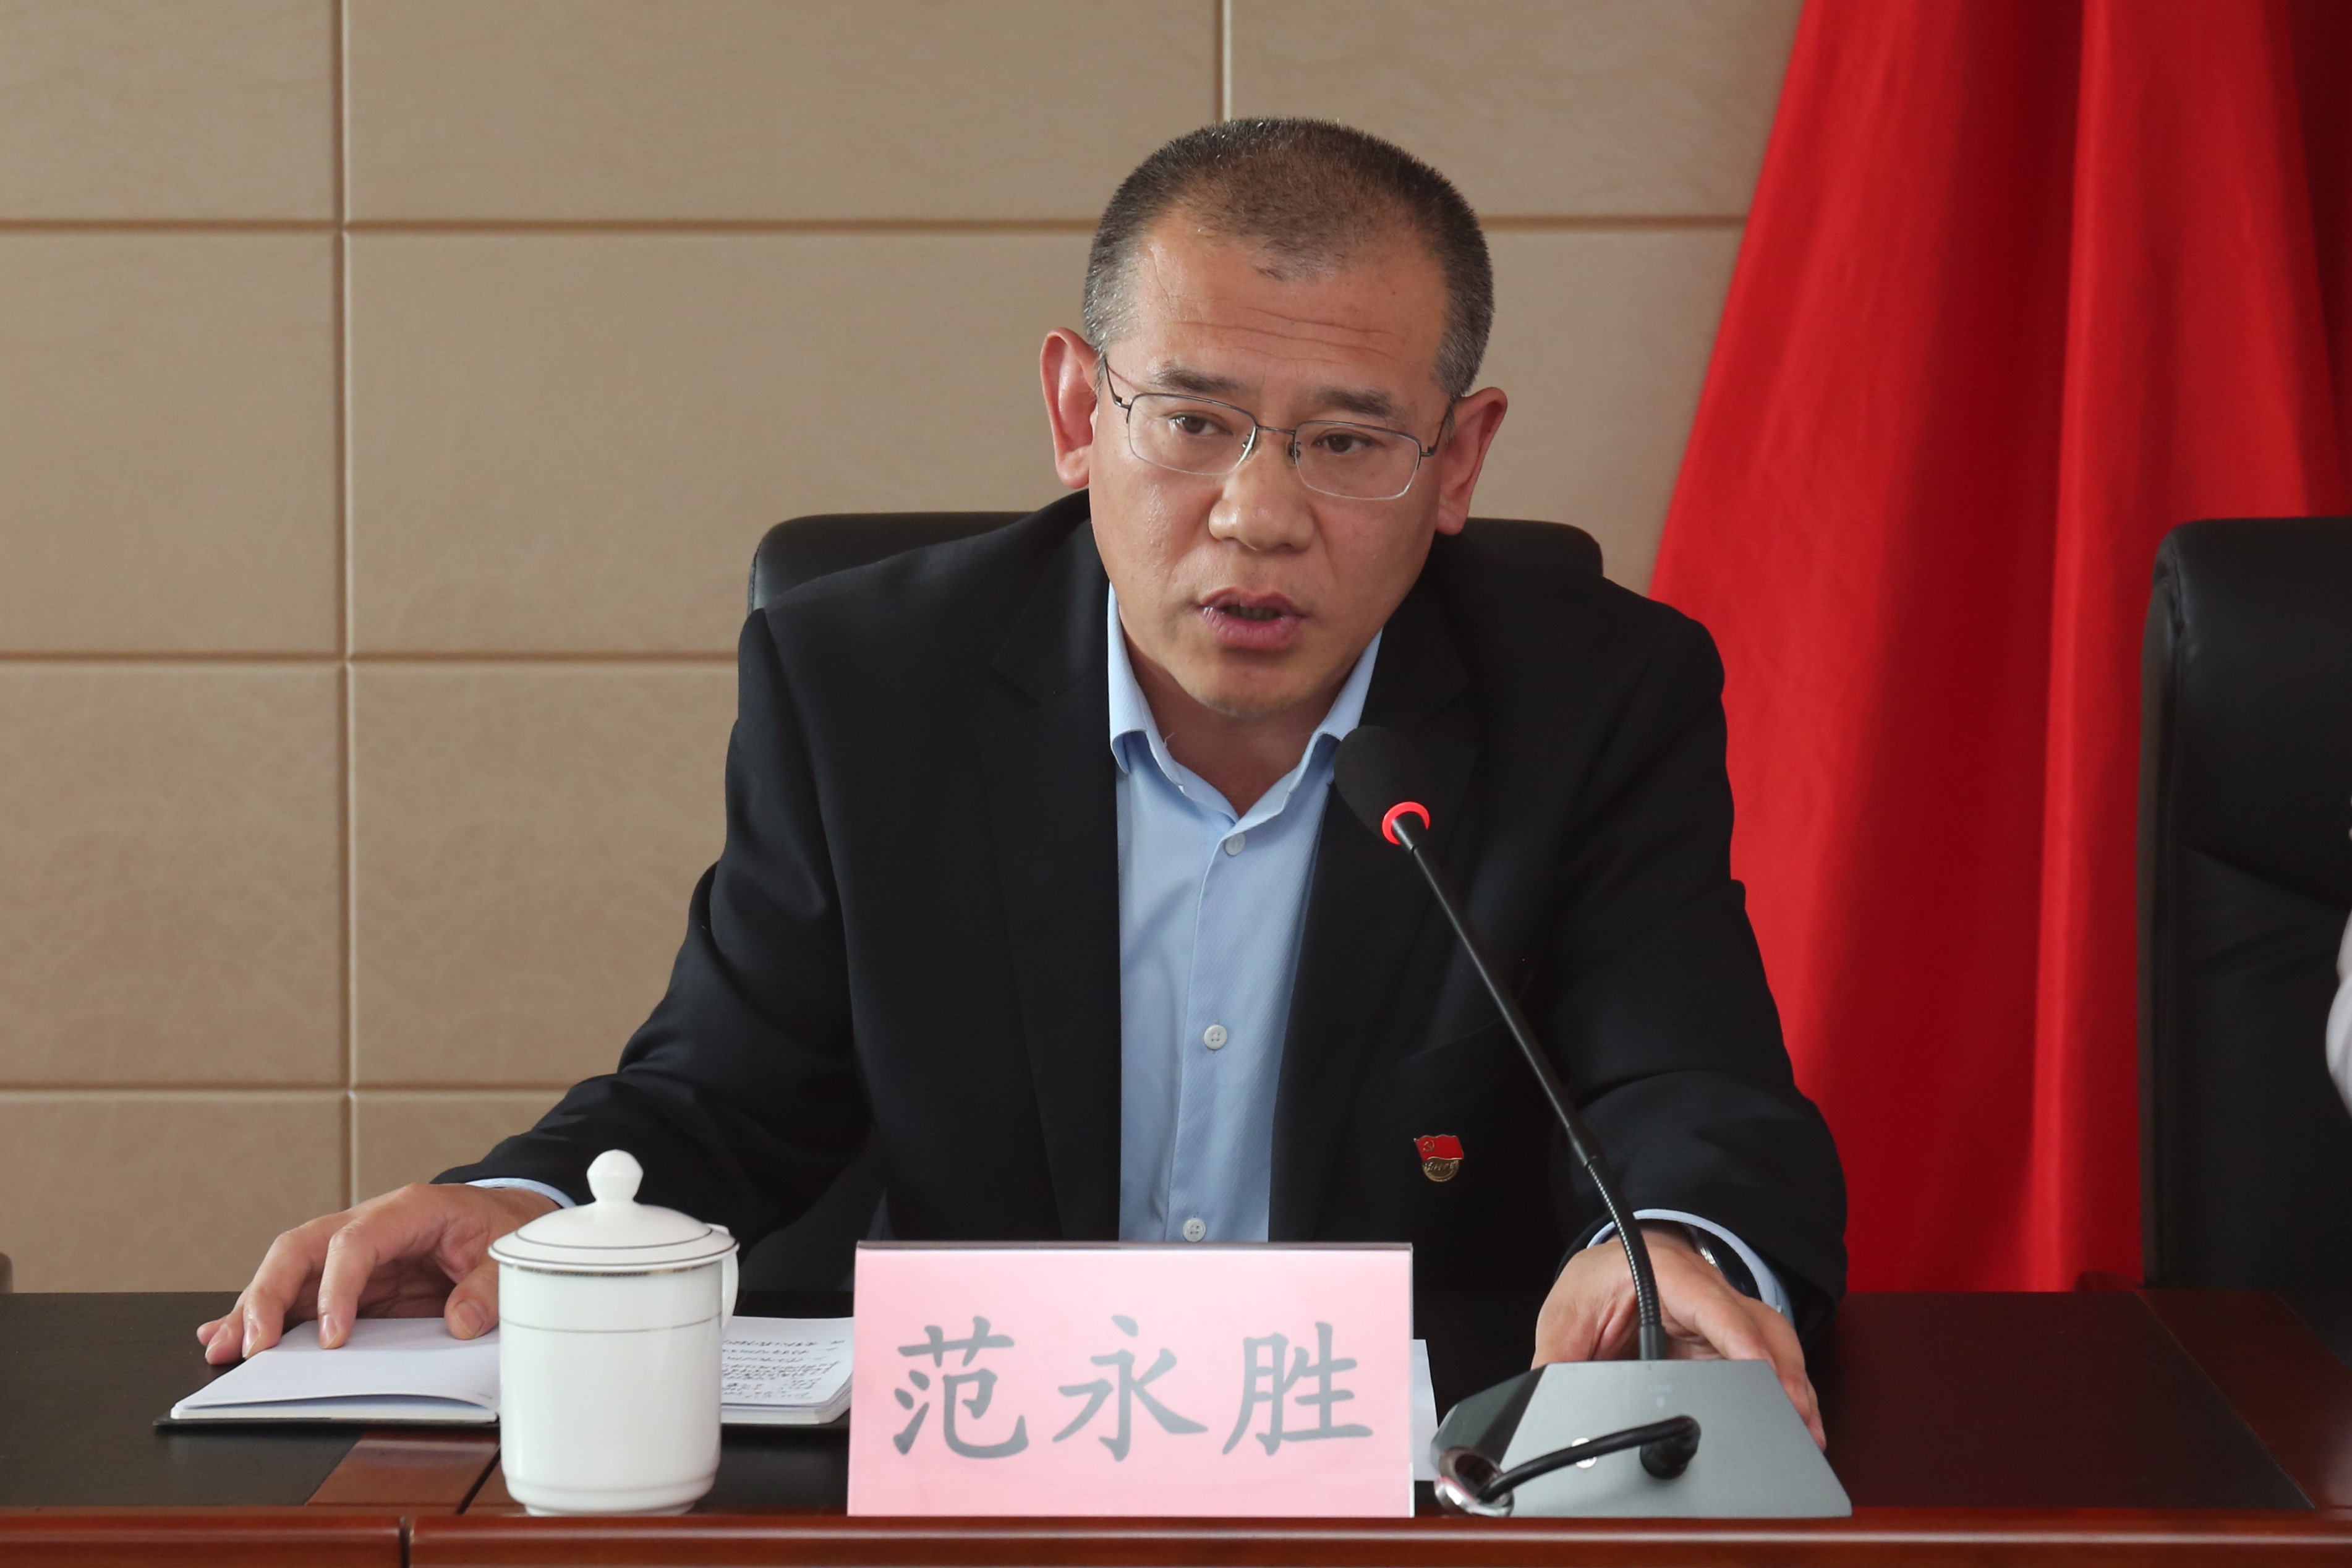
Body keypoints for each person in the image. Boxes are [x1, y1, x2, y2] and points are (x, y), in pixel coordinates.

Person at [200, 120, 1844, 1443]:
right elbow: (729, 1093)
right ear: (1076, 411)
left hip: (1407, 1477)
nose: (1257, 516)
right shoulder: (867, 686)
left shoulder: (1594, 697)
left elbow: (1679, 1080)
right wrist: (524, 1204)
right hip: (984, 1468)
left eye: (1348, 443)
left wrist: (1669, 1249)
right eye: (1190, 421)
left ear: (1458, 459)